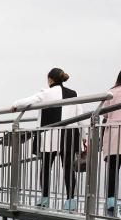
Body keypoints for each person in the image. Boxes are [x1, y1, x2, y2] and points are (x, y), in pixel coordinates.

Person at [12, 68, 83, 210]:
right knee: (68, 168)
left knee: (45, 168)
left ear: (50, 79)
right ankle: (71, 201)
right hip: (69, 134)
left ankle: (44, 198)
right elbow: (80, 115)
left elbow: (27, 101)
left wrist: (14, 105)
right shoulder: (73, 94)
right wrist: (84, 137)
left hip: (49, 136)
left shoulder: (46, 92)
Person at [102, 65, 121, 214]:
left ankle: (111, 201)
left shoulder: (112, 93)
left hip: (114, 133)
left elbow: (105, 114)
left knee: (113, 168)